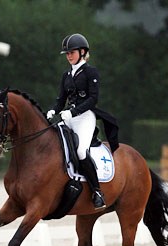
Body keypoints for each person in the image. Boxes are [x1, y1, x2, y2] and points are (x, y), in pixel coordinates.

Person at [47, 33, 119, 210]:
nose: (68, 56)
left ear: (82, 52)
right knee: (53, 143)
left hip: (85, 117)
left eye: (71, 52)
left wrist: (73, 112)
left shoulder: (90, 72)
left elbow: (93, 99)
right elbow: (60, 99)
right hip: (68, 116)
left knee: (80, 151)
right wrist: (53, 110)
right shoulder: (66, 75)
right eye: (67, 53)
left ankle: (97, 191)